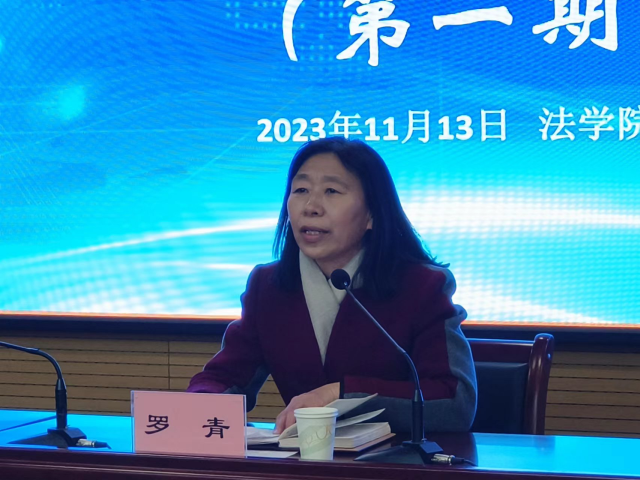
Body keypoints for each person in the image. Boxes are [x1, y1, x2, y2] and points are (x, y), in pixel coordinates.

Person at [188, 137, 477, 434]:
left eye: (331, 191)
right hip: (300, 458)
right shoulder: (268, 286)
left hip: (396, 459)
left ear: (372, 214)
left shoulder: (422, 286)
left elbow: (455, 403)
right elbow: (223, 378)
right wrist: (202, 403)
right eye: (301, 190)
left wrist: (339, 395)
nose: (311, 207)